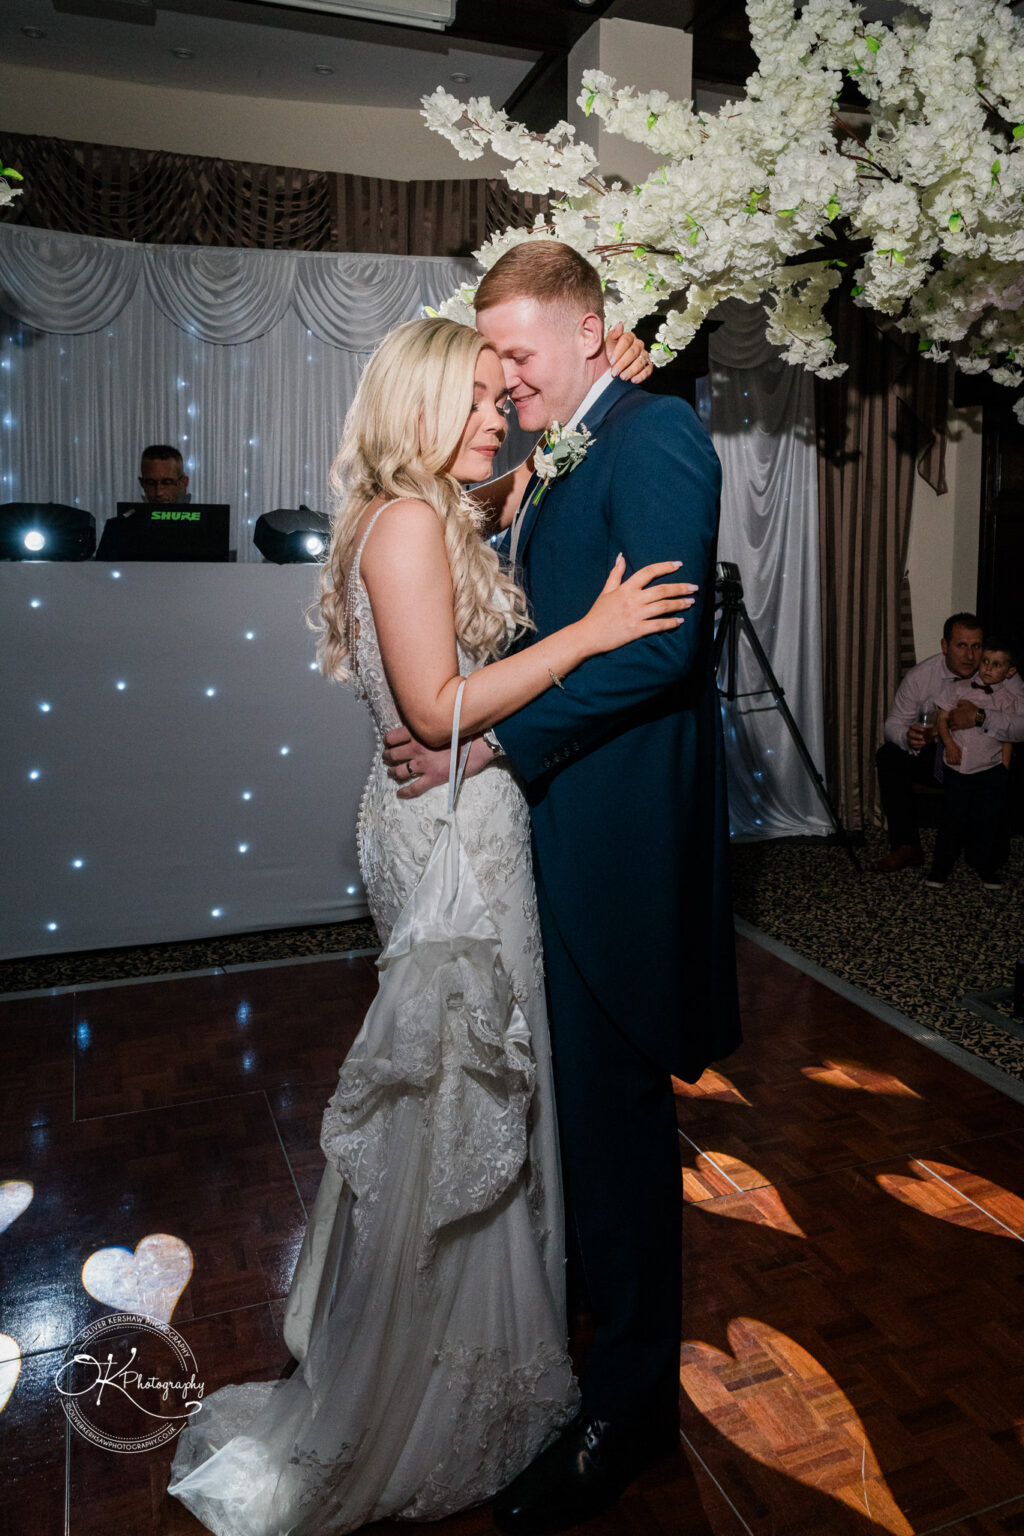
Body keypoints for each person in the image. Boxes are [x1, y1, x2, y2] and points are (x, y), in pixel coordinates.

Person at [167, 316, 692, 1535]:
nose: (492, 418)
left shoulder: (431, 502)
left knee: (476, 1092)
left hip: (452, 818)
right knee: (461, 1096)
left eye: (495, 396)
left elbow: (535, 464)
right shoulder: (406, 523)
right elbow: (437, 704)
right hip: (450, 827)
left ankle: (485, 1343)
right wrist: (590, 634)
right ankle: (439, 1373)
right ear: (411, 411)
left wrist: (608, 384)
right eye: (465, 401)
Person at [384, 240, 741, 1534]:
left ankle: (631, 1411)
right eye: (495, 360)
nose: (507, 377)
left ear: (594, 334)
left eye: (522, 355)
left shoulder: (652, 438)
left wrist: (491, 741)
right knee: (574, 1135)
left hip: (616, 843)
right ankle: (590, 1362)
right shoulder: (563, 438)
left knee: (619, 1138)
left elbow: (657, 653)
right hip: (549, 837)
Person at [874, 613, 984, 872]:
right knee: (889, 755)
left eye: (976, 646)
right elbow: (893, 723)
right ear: (945, 646)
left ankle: (983, 844)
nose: (970, 655)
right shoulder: (922, 676)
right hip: (938, 756)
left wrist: (979, 717)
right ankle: (906, 846)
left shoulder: (997, 673)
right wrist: (907, 736)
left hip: (982, 757)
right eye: (961, 646)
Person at [926, 638, 1019, 889]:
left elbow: (1007, 738)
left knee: (986, 822)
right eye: (986, 661)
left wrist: (1004, 771)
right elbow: (942, 720)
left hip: (990, 771)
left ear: (1009, 671)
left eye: (997, 665)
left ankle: (986, 867)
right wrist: (950, 745)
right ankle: (940, 869)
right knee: (952, 821)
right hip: (958, 768)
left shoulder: (1008, 700)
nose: (988, 668)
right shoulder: (958, 689)